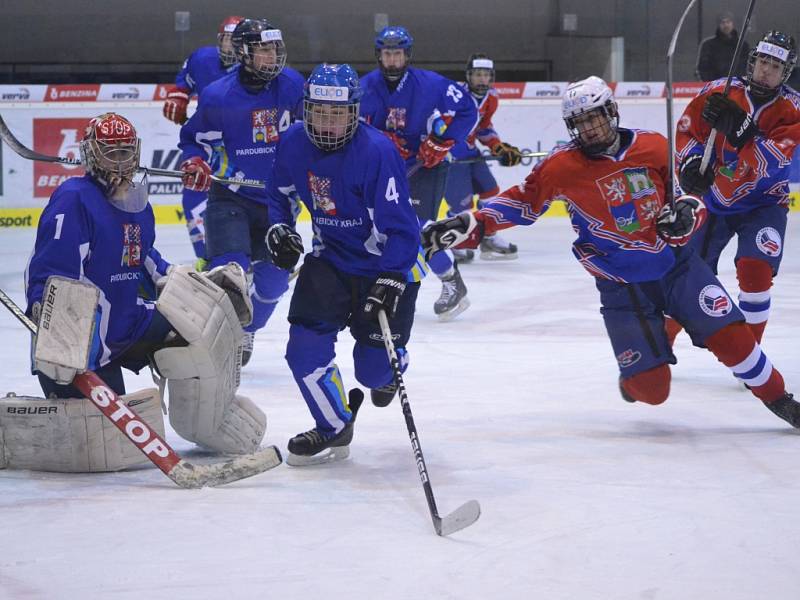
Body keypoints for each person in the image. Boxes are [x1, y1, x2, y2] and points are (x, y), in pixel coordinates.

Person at [421, 76, 800, 427]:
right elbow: (522, 202)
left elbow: (687, 196)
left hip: (677, 267)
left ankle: (779, 398)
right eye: (580, 122)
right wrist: (471, 224)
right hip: (622, 288)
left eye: (594, 118)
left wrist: (687, 212)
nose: (589, 128)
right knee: (653, 391)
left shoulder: (654, 145)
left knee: (735, 339)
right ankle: (637, 369)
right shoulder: (561, 167)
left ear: (611, 112)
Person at [15, 113, 267, 474]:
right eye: (110, 153)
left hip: (129, 324)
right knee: (108, 446)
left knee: (198, 321)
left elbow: (149, 264)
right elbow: (50, 270)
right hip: (83, 346)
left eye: (126, 152)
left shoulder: (137, 203)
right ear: (91, 154)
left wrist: (203, 286)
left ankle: (212, 423)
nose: (121, 161)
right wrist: (44, 309)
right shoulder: (74, 200)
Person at [266, 63, 423, 465]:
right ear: (306, 110)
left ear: (354, 112)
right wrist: (279, 228)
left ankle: (390, 368)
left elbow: (403, 228)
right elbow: (278, 195)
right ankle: (335, 425)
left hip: (386, 266)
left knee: (372, 373)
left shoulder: (378, 151)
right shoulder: (292, 143)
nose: (328, 123)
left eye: (338, 113)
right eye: (319, 112)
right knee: (303, 349)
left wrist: (392, 277)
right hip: (331, 259)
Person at [179, 18, 305, 365]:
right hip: (230, 197)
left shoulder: (293, 84)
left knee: (275, 283)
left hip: (278, 204)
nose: (273, 56)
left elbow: (311, 135)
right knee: (229, 273)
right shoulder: (218, 95)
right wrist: (195, 162)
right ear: (244, 53)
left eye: (275, 48)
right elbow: (194, 140)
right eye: (264, 49)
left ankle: (246, 330)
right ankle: (218, 334)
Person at [673, 31, 799, 346]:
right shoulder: (719, 91)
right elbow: (687, 133)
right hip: (713, 200)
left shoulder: (794, 109)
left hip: (764, 204)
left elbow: (772, 162)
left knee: (756, 271)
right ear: (751, 61)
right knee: (687, 275)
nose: (765, 70)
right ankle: (662, 342)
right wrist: (690, 165)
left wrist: (742, 131)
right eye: (762, 61)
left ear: (786, 72)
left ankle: (749, 352)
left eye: (774, 65)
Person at [360, 26, 478, 321]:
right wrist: (376, 140)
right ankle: (444, 280)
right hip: (385, 170)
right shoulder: (365, 86)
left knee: (413, 230)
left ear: (407, 55)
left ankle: (446, 283)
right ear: (379, 55)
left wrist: (442, 141)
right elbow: (353, 125)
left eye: (397, 54)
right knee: (382, 230)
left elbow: (468, 110)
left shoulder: (430, 84)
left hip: (426, 166)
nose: (392, 60)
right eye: (387, 54)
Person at [162, 15, 244, 266]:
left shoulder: (254, 70)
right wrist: (178, 96)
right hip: (207, 140)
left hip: (239, 145)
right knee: (194, 191)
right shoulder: (201, 58)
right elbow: (183, 82)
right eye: (227, 40)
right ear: (220, 40)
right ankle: (206, 256)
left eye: (237, 41)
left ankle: (247, 252)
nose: (231, 47)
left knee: (241, 198)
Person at [446, 53, 523, 263]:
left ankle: (488, 237)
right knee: (462, 204)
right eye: (477, 74)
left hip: (471, 152)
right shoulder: (454, 96)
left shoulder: (492, 98)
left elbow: (484, 127)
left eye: (486, 75)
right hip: (451, 156)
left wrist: (497, 147)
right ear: (468, 76)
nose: (482, 79)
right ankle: (453, 241)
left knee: (491, 192)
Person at [696, 11, 750, 82]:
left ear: (732, 24)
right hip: (715, 88)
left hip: (738, 87)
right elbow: (702, 69)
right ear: (719, 25)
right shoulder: (708, 45)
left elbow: (748, 67)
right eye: (723, 22)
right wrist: (711, 84)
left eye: (728, 22)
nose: (726, 25)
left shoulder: (743, 45)